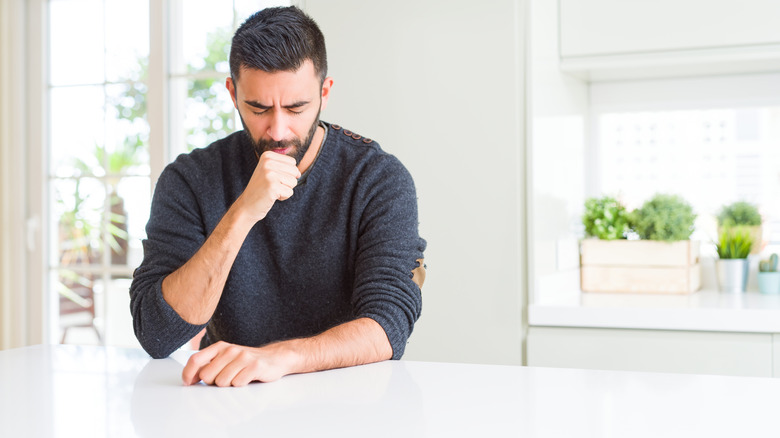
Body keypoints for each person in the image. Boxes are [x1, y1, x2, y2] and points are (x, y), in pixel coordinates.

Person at [129, 6, 426, 387]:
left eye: (296, 107)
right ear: (233, 93)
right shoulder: (189, 180)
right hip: (232, 399)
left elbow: (388, 325)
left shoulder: (378, 179)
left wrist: (279, 359)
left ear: (325, 92)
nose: (278, 130)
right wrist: (242, 214)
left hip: (352, 400)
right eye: (258, 108)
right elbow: (157, 334)